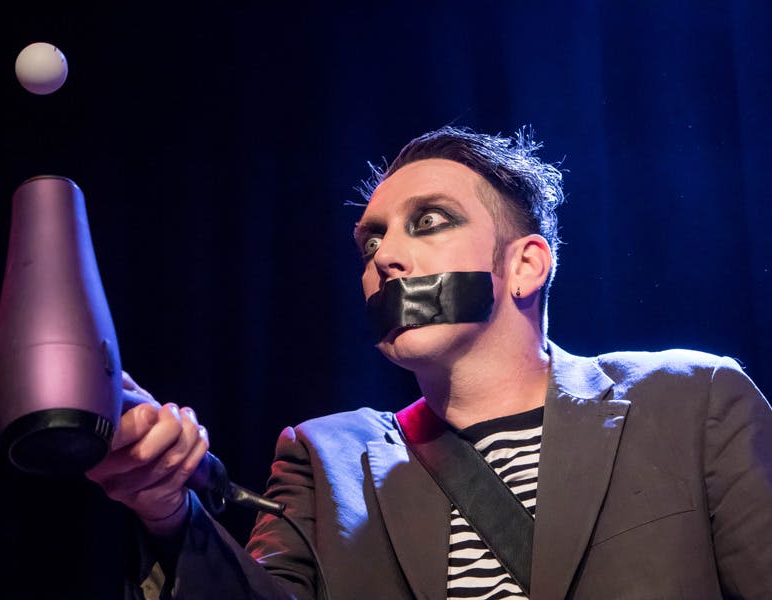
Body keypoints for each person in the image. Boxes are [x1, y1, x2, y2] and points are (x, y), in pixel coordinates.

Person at [87, 125, 772, 599]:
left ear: (526, 264)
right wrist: (165, 510)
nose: (384, 256)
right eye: (370, 242)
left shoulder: (692, 402)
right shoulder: (325, 460)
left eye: (430, 221)